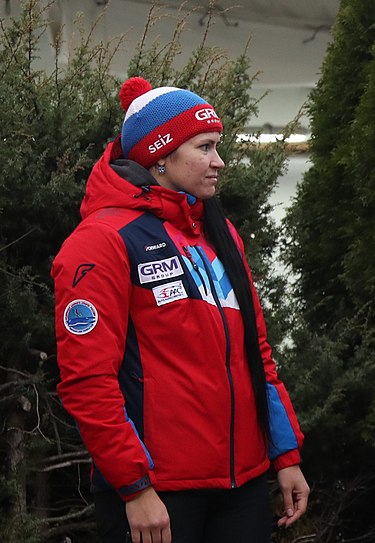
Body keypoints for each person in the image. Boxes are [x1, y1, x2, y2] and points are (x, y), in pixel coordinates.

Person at [52, 77, 309, 543]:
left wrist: (284, 454)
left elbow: (258, 353)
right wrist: (134, 487)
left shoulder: (218, 229)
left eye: (218, 146)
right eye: (205, 147)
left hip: (242, 485)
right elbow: (88, 379)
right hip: (159, 494)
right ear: (160, 157)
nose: (219, 161)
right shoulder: (102, 240)